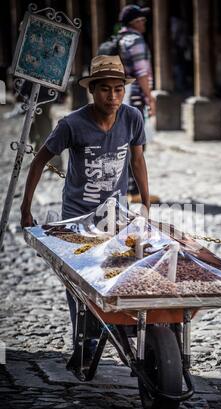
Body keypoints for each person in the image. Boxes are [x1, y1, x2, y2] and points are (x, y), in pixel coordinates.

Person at [20, 55, 150, 363]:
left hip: (116, 216)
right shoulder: (72, 125)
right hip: (78, 217)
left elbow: (138, 160)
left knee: (119, 270)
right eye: (105, 89)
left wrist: (145, 203)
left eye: (119, 89)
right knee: (80, 280)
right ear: (93, 90)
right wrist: (26, 209)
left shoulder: (132, 118)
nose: (113, 97)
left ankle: (117, 328)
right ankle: (83, 339)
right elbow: (39, 162)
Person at [118, 4, 158, 203]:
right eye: (142, 20)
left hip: (121, 97)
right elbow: (142, 73)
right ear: (135, 22)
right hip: (134, 98)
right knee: (137, 145)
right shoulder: (136, 41)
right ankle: (133, 191)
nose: (145, 23)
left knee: (126, 143)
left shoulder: (120, 40)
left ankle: (128, 189)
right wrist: (149, 97)